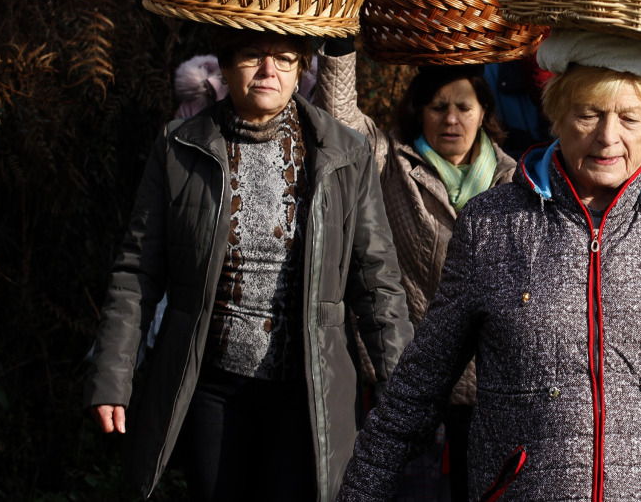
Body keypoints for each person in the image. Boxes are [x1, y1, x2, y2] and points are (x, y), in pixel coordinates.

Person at [337, 29, 641, 501]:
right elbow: (419, 383)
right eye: (588, 114)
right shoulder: (494, 224)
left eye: (630, 118)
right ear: (556, 115)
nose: (608, 137)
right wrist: (360, 491)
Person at [84, 29, 413, 502]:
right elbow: (137, 271)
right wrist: (112, 375)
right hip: (211, 386)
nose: (268, 71)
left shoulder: (343, 152)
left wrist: (400, 385)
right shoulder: (180, 147)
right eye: (251, 57)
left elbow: (377, 280)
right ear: (224, 65)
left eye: (283, 59)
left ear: (301, 70)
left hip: (307, 388)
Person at [314, 41, 518, 501]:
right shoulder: (392, 162)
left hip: (489, 384)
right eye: (438, 107)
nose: (451, 119)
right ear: (419, 112)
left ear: (483, 111)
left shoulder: (513, 182)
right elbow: (342, 119)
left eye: (463, 107)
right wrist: (341, 50)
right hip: (409, 374)